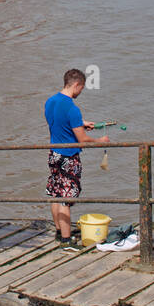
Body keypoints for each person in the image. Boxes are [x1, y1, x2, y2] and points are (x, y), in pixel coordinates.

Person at [44, 69, 109, 249]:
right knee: (66, 198)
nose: (81, 91)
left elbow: (59, 122)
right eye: (81, 88)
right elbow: (83, 140)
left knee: (56, 193)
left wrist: (81, 123)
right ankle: (67, 242)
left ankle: (59, 232)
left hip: (54, 153)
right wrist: (100, 140)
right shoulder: (73, 108)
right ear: (76, 84)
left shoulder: (50, 102)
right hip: (68, 156)